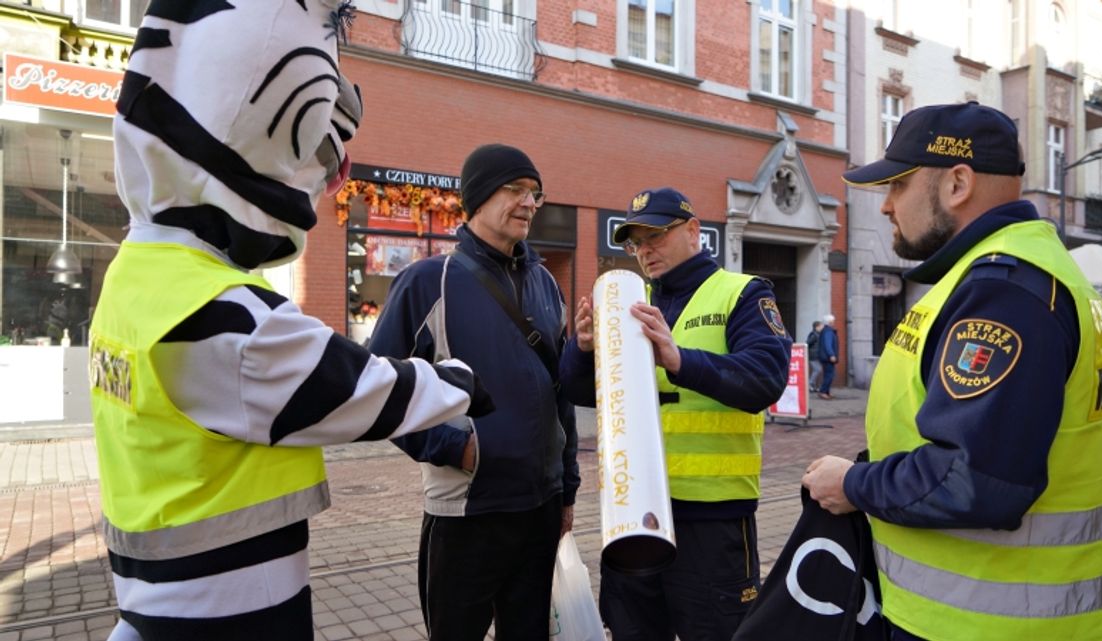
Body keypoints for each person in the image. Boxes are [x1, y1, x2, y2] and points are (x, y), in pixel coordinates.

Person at [89, 5, 493, 640]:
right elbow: (350, 387)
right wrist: (457, 382)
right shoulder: (217, 311)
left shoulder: (136, 276)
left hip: (153, 584)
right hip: (232, 599)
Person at [802, 102, 1102, 641]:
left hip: (982, 624)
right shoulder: (1012, 276)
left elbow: (976, 479)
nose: (884, 206)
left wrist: (855, 484)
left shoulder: (1004, 291)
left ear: (957, 183)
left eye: (899, 185)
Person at [368, 143, 580, 641]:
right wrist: (453, 447)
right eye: (516, 190)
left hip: (540, 508)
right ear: (479, 197)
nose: (530, 203)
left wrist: (566, 488)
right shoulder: (427, 281)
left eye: (535, 193)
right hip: (466, 512)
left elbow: (560, 393)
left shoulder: (547, 284)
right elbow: (378, 389)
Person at [561, 187, 792, 641]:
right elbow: (579, 391)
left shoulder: (742, 293)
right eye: (636, 242)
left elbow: (766, 377)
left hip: (712, 521)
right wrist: (584, 350)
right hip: (634, 513)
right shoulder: (631, 300)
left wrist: (680, 359)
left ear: (692, 231)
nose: (645, 250)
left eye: (656, 236)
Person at [817, 314, 838, 398]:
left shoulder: (826, 331)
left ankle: (826, 392)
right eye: (833, 321)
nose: (834, 323)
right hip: (827, 357)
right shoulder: (828, 331)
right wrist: (831, 355)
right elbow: (828, 344)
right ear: (829, 322)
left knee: (828, 374)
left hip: (825, 357)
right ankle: (823, 391)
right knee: (830, 375)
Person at [806, 320, 823, 392]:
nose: (822, 327)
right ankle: (809, 384)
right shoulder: (814, 335)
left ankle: (814, 386)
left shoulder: (818, 334)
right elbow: (807, 343)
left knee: (817, 370)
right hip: (813, 355)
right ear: (817, 327)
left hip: (817, 355)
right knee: (817, 369)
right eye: (821, 326)